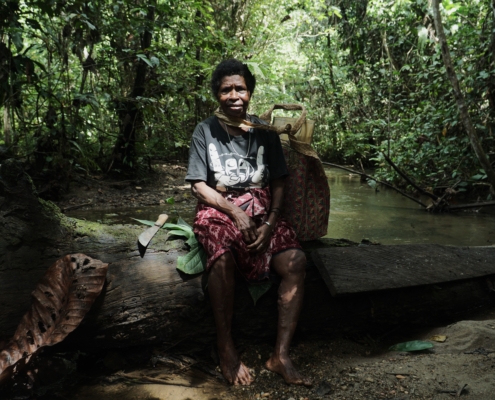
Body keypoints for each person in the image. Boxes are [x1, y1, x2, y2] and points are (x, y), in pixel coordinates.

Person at [185, 59, 311, 386]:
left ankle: (280, 355)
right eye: (226, 90)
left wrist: (270, 223)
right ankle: (225, 346)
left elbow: (279, 180)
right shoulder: (205, 131)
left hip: (262, 211)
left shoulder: (263, 131)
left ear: (250, 92)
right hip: (220, 208)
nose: (234, 96)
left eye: (240, 89)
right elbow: (198, 186)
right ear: (217, 94)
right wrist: (235, 212)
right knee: (221, 257)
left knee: (296, 261)